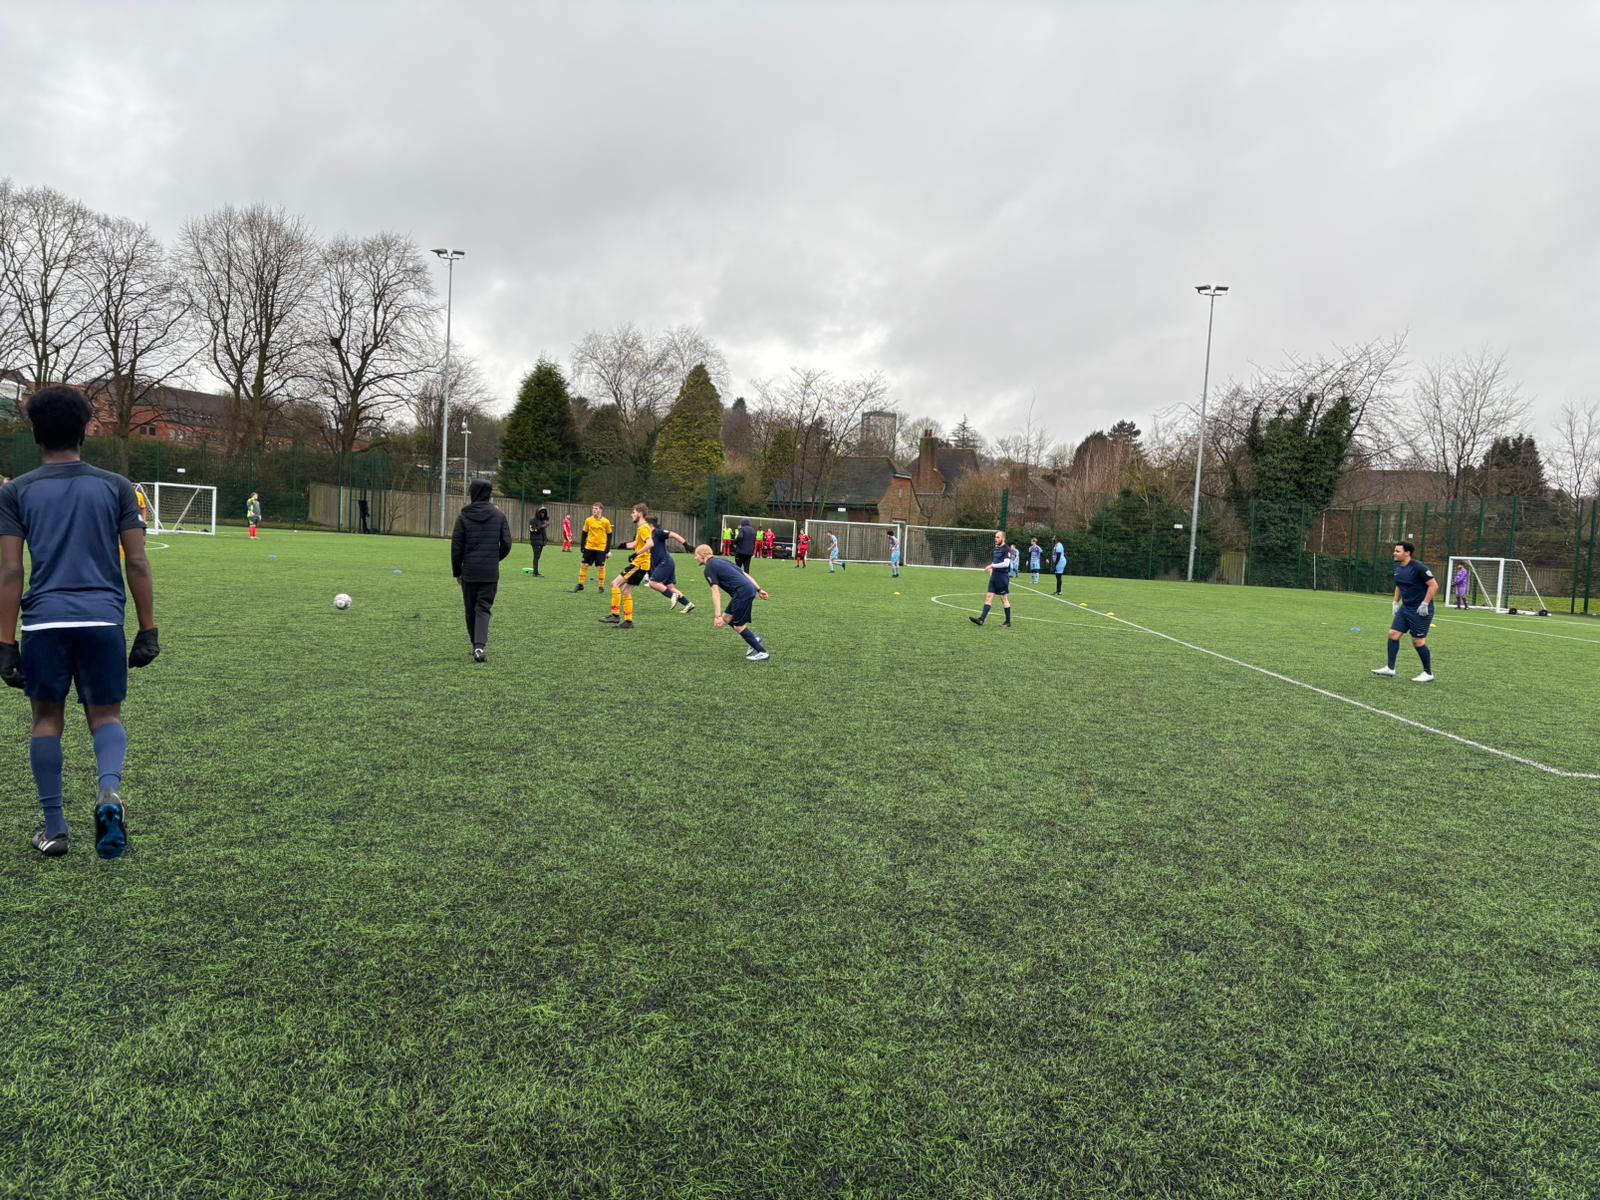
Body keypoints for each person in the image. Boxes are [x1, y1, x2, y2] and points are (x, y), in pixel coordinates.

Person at [0, 386, 159, 859]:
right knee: (106, 717)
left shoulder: (16, 491)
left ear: (35, 433)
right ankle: (109, 794)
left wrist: (5, 641)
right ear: (86, 430)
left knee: (47, 720)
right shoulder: (116, 486)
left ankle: (55, 830)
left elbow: (10, 570)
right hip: (102, 621)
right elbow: (138, 562)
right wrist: (147, 628)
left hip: (45, 623)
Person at [452, 479, 511, 663]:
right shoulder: (499, 516)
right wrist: (494, 559)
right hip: (490, 573)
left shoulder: (463, 517)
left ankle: (475, 645)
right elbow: (507, 544)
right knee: (483, 608)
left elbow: (456, 548)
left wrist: (457, 572)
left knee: (470, 609)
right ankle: (479, 646)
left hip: (469, 572)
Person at [1373, 541, 1438, 683]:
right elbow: (1399, 585)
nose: (1394, 553)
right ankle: (1390, 668)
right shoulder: (1397, 567)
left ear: (1407, 553)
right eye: (1395, 551)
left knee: (1418, 642)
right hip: (1405, 608)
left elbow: (1434, 585)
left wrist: (1425, 603)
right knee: (1393, 634)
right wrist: (1395, 602)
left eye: (1397, 551)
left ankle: (1428, 673)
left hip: (1421, 610)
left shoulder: (1418, 567)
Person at [693, 544, 771, 661]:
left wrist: (717, 615)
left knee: (737, 625)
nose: (695, 558)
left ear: (703, 555)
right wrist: (758, 589)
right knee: (727, 618)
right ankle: (754, 638)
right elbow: (745, 574)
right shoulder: (722, 561)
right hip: (746, 590)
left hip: (742, 592)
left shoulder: (709, 568)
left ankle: (762, 652)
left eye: (696, 555)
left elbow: (715, 591)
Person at [601, 504, 652, 629]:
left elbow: (650, 543)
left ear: (640, 513)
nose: (632, 514)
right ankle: (628, 621)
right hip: (642, 564)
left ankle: (615, 615)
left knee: (615, 584)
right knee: (626, 591)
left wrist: (636, 553)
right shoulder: (642, 527)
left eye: (633, 512)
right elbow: (637, 543)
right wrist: (625, 545)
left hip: (639, 564)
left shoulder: (644, 527)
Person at [644, 519, 696, 612]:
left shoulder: (657, 532)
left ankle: (673, 596)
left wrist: (686, 544)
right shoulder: (648, 536)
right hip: (665, 563)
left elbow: (673, 534)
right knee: (670, 587)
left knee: (653, 583)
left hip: (665, 562)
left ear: (650, 525)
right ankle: (688, 604)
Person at [969, 530, 1013, 629]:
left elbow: (1006, 564)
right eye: (995, 537)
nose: (995, 539)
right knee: (989, 597)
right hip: (994, 577)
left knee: (1004, 599)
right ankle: (981, 619)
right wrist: (992, 570)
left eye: (998, 537)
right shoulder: (996, 548)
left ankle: (1008, 622)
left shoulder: (1007, 549)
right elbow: (996, 561)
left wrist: (992, 565)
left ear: (1003, 538)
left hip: (1002, 578)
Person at [573, 502, 612, 592]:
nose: (594, 510)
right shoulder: (588, 520)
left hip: (601, 548)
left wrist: (607, 548)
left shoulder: (606, 522)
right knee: (584, 565)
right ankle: (580, 584)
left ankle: (601, 587)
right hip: (589, 547)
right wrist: (582, 546)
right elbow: (584, 533)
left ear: (601, 510)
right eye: (593, 508)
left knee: (601, 567)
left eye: (596, 508)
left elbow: (609, 535)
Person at [528, 506, 550, 576]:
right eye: (541, 513)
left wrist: (545, 540)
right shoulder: (532, 520)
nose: (542, 514)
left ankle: (536, 572)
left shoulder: (542, 521)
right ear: (538, 513)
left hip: (541, 542)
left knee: (538, 557)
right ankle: (535, 573)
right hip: (535, 542)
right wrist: (542, 526)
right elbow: (532, 530)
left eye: (544, 513)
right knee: (536, 556)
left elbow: (544, 532)